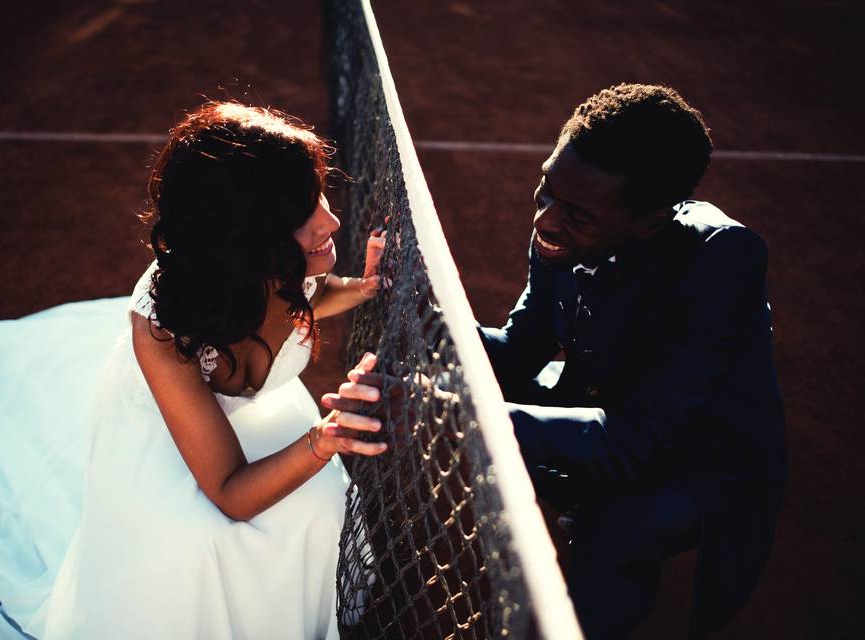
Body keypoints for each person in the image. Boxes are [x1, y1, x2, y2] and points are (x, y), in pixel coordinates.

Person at [0, 101, 387, 639]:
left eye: (319, 195)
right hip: (172, 436)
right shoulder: (162, 330)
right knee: (194, 545)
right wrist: (322, 441)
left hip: (255, 418)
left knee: (314, 512)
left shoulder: (289, 262)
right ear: (250, 240)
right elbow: (228, 491)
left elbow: (307, 298)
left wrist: (365, 289)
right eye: (304, 213)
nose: (332, 220)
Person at [331, 84, 787, 639]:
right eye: (545, 188)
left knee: (612, 532)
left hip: (701, 458)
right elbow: (522, 349)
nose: (546, 220)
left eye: (576, 215)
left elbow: (641, 441)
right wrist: (421, 305)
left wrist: (453, 411)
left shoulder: (721, 261)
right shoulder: (565, 219)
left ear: (648, 221)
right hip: (602, 404)